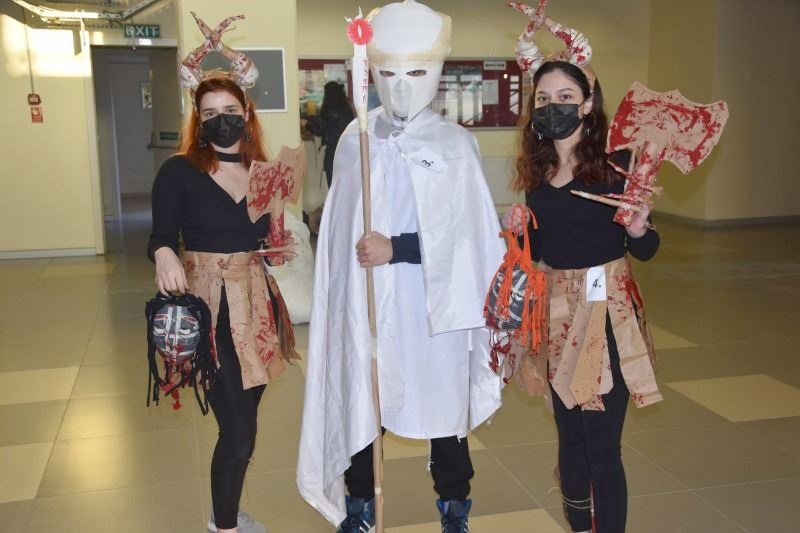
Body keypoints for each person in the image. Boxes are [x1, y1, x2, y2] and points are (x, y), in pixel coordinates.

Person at [297, 2, 506, 532]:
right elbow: (341, 227)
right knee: (365, 401)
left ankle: (454, 508)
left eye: (415, 73)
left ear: (436, 72)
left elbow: (468, 238)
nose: (402, 88)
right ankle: (361, 506)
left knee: (443, 404)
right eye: (388, 74)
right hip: (368, 302)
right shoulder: (356, 139)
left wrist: (398, 248)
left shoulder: (454, 145)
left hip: (432, 306)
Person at [504, 5, 662, 532]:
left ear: (588, 103)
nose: (553, 106)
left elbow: (647, 248)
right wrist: (519, 229)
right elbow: (541, 246)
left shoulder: (619, 167)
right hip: (555, 311)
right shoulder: (538, 170)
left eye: (565, 97)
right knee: (569, 436)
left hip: (604, 311)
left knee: (601, 444)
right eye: (543, 98)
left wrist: (638, 228)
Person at [148, 13, 302, 533]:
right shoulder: (178, 171)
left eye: (229, 111)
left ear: (246, 113)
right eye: (210, 112)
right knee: (236, 431)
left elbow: (268, 242)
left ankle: (226, 512)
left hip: (256, 305)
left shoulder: (264, 173)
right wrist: (164, 253)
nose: (221, 120)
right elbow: (160, 235)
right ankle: (226, 527)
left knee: (247, 422)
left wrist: (277, 249)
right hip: (209, 307)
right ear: (198, 117)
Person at [302, 81, 355, 188]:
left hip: (334, 151)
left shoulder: (331, 109)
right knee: (345, 186)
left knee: (333, 186)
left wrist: (306, 123)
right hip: (349, 151)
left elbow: (321, 129)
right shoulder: (347, 109)